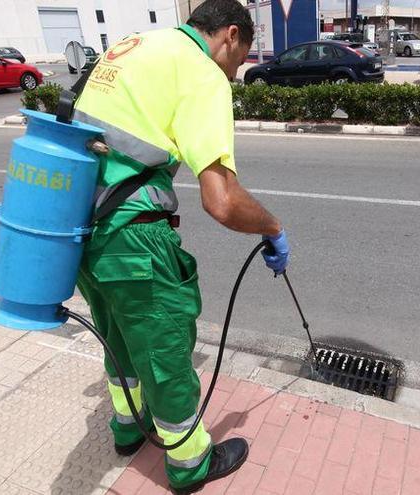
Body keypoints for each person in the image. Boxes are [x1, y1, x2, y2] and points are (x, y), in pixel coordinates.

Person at [72, 0, 290, 492]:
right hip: (134, 237)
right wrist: (272, 228)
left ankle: (127, 429)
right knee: (167, 353)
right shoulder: (201, 71)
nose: (234, 74)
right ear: (231, 35)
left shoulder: (134, 45)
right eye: (240, 60)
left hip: (83, 224)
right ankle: (190, 463)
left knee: (120, 340)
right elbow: (222, 201)